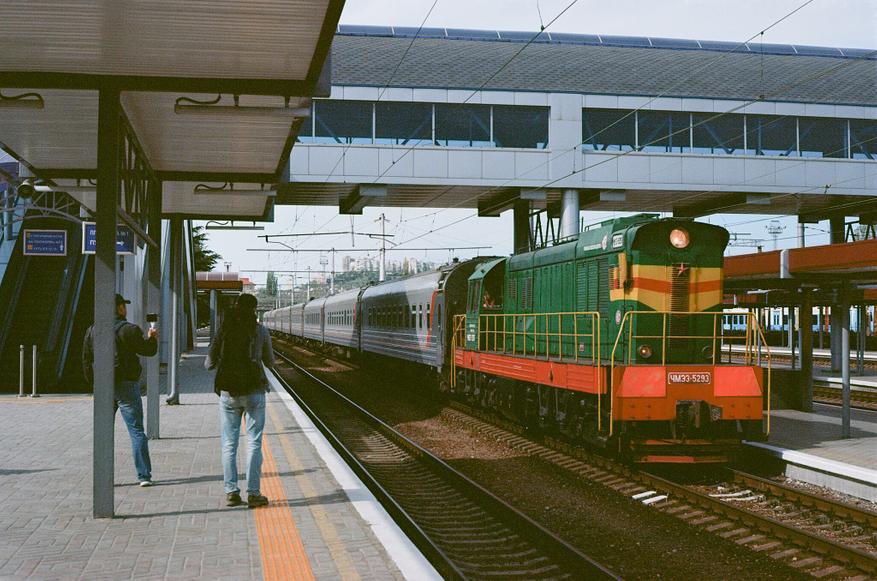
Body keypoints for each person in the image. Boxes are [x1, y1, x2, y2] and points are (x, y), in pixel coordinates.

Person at [205, 293, 275, 508]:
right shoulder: (260, 331)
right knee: (253, 442)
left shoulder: (224, 330)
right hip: (254, 392)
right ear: (254, 310)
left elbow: (208, 364)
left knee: (229, 443)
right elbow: (270, 362)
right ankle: (254, 493)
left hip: (228, 393)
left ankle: (231, 492)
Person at [82, 294, 158, 487]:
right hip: (126, 385)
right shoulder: (129, 330)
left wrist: (95, 384)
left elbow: (86, 359)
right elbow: (148, 351)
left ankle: (103, 476)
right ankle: (144, 476)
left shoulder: (92, 330)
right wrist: (152, 338)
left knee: (103, 430)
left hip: (103, 385)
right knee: (136, 431)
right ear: (119, 308)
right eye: (123, 305)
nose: (125, 308)